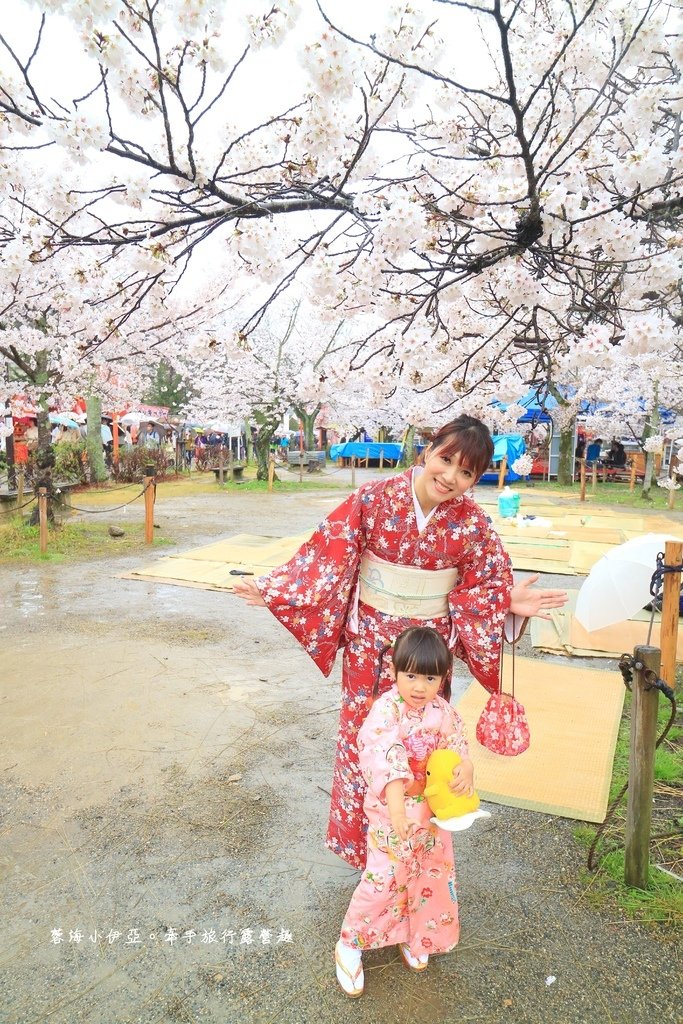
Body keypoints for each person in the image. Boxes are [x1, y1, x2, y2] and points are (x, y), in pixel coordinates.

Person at [233, 414, 566, 869]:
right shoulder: (374, 497)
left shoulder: (473, 524)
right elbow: (327, 553)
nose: (451, 477)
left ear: (477, 478)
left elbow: (484, 585)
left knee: (424, 744)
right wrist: (277, 589)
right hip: (372, 648)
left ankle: (415, 847)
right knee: (364, 739)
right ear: (427, 451)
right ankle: (368, 849)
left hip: (430, 655)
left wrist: (506, 602)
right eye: (446, 460)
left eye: (467, 472)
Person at [335, 626, 471, 997]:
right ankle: (350, 941)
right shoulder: (386, 710)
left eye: (430, 677)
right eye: (410, 675)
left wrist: (464, 768)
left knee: (429, 873)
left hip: (429, 810)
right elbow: (386, 760)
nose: (419, 687)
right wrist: (396, 815)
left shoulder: (442, 711)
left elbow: (457, 744)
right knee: (384, 876)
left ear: (442, 678)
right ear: (394, 672)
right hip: (392, 808)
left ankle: (415, 934)